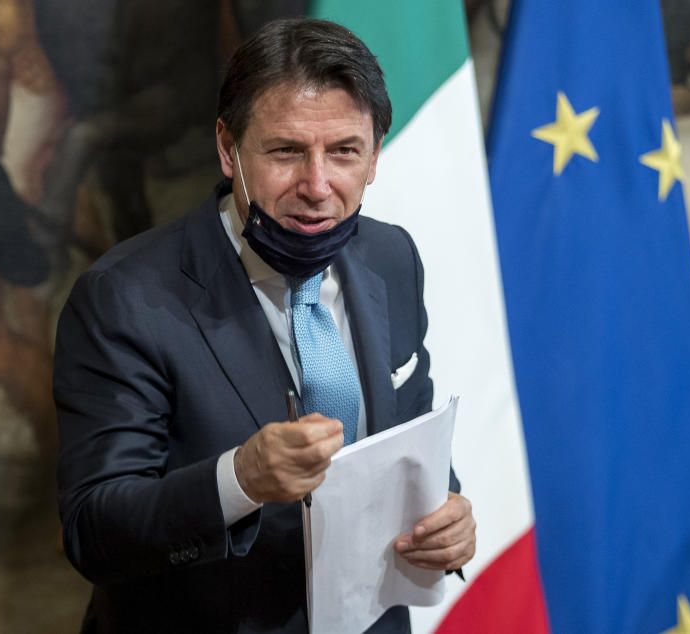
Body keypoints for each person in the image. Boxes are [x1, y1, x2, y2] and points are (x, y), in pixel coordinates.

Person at [54, 18, 476, 633]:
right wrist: (239, 480)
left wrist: (448, 510)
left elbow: (411, 431)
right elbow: (94, 531)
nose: (317, 185)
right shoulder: (125, 298)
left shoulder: (392, 257)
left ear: (375, 156)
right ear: (230, 150)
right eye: (286, 152)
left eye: (344, 152)